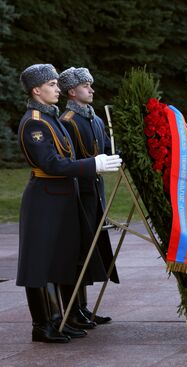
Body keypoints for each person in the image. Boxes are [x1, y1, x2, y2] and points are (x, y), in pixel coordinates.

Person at [17, 64, 122, 343]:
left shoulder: (51, 119)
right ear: (36, 90)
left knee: (57, 260)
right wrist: (92, 165)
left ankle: (60, 320)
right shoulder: (35, 121)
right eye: (52, 85)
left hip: (60, 197)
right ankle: (43, 325)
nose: (57, 89)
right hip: (44, 198)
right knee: (39, 263)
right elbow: (51, 163)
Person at [58, 67, 119, 328]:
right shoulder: (68, 120)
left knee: (90, 250)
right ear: (72, 91)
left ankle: (81, 309)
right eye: (86, 85)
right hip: (77, 193)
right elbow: (68, 161)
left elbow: (105, 149)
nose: (91, 89)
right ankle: (72, 311)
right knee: (77, 252)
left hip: (94, 192)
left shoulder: (94, 118)